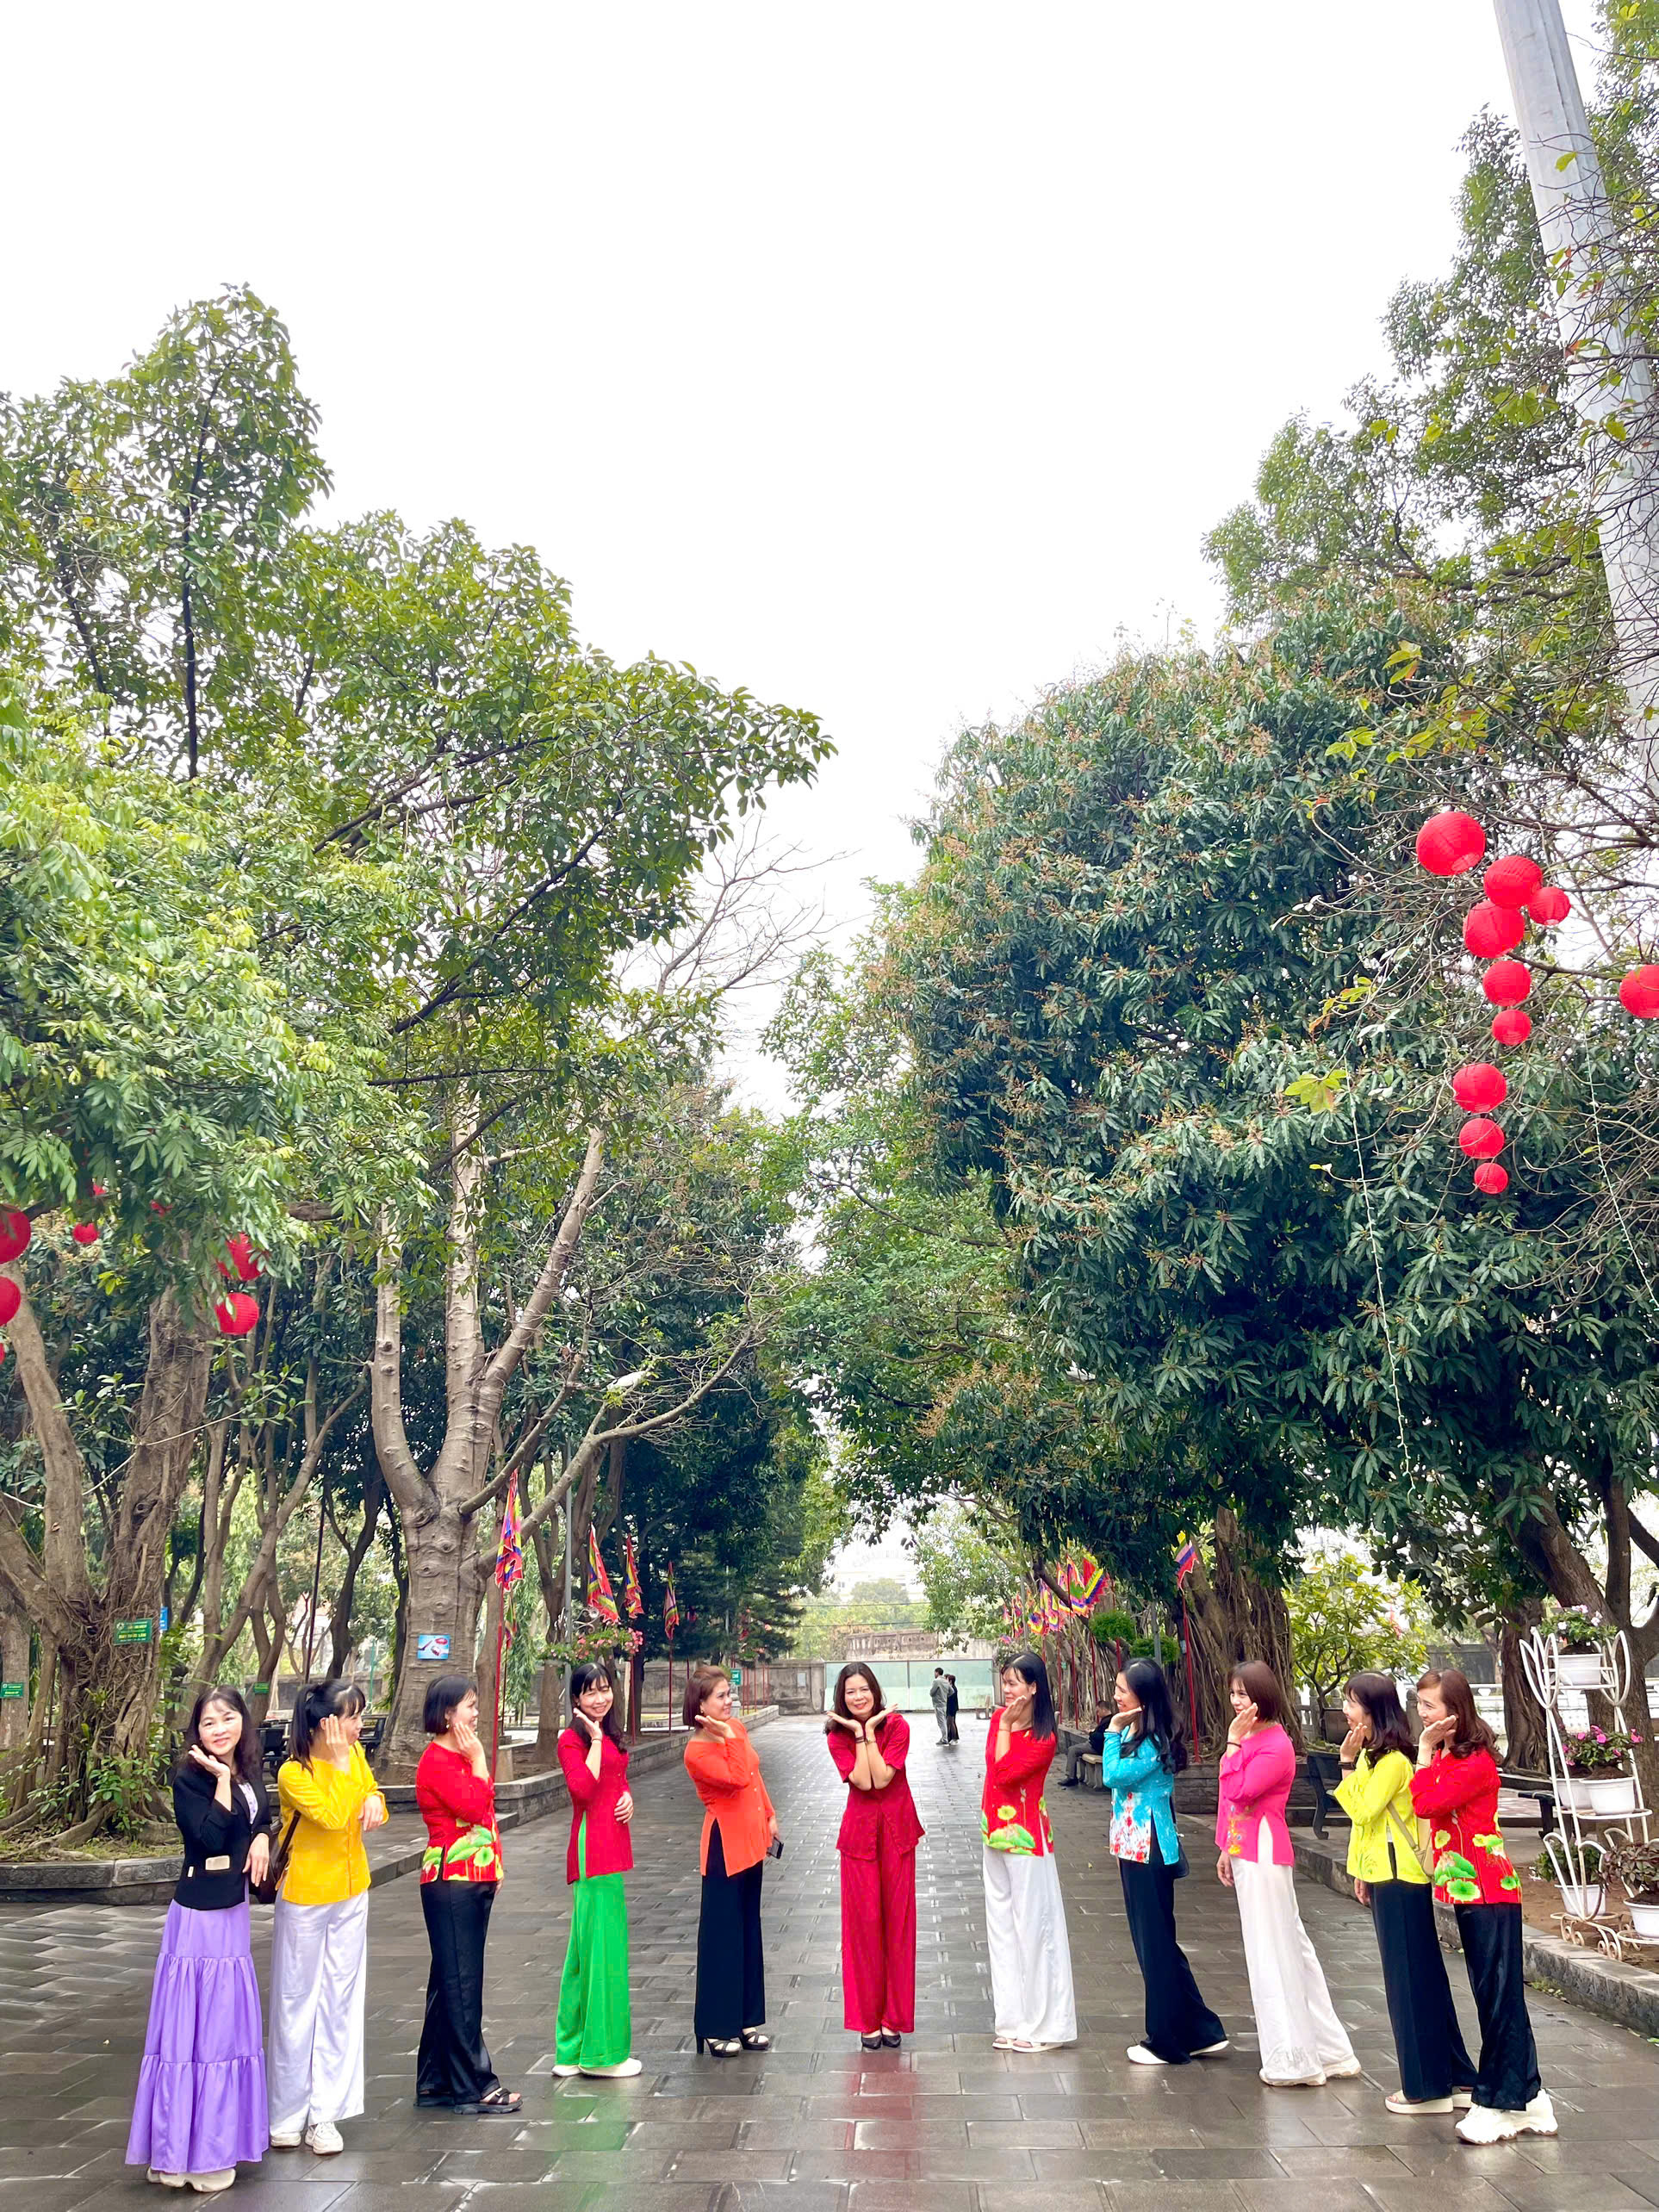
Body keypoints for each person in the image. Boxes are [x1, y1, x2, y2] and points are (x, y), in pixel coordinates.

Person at [127, 1687, 272, 2194]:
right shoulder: (190, 1778)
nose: (219, 1730)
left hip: (232, 1912)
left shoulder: (249, 1768)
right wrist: (221, 1781)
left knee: (224, 2029)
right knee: (197, 2035)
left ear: (242, 1721)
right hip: (199, 1916)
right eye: (209, 1723)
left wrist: (262, 1836)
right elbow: (208, 1837)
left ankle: (211, 2143)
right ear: (197, 1731)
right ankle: (184, 2153)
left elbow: (260, 1816)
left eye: (227, 1718)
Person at [1412, 1668, 1556, 2144]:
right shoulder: (1452, 1756)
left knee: (1498, 1999)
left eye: (1430, 1705)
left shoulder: (1475, 1764)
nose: (1423, 1713)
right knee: (1497, 1996)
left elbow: (1425, 1805)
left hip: (1489, 1889)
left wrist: (1423, 1752)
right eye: (1420, 1704)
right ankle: (1530, 2097)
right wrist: (1432, 1753)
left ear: (1455, 1709)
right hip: (1469, 1890)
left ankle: (1498, 2102)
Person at [1335, 1671, 1476, 2117]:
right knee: (1423, 1976)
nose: (1345, 1710)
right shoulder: (1373, 1756)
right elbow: (1367, 1828)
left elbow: (1363, 1811)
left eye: (1352, 1702)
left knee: (1408, 1982)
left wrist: (1344, 1764)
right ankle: (1457, 2076)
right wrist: (1361, 1871)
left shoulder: (1394, 1761)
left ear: (1373, 1710)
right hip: (1385, 1875)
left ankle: (1425, 2088)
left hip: (1401, 1879)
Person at [1215, 1662, 1358, 2087]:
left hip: (1264, 1849)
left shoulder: (1274, 1744)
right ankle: (1331, 2051)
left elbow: (1239, 1790)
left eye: (1244, 1694)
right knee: (1289, 1946)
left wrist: (1231, 1745)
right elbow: (1229, 1801)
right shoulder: (1250, 1737)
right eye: (1233, 1693)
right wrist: (1225, 1847)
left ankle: (1295, 2061)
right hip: (1247, 1846)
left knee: (1272, 1950)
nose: (1236, 1702)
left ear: (1263, 1697)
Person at [267, 1680, 388, 2156]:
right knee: (296, 2002)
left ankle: (326, 2115)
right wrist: (340, 1766)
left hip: (351, 1891)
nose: (360, 1725)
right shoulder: (294, 1774)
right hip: (305, 1897)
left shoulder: (354, 1756)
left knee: (341, 2002)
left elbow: (369, 1796)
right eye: (353, 1717)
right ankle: (286, 2113)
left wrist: (375, 1799)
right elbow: (335, 1816)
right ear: (326, 1724)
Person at [413, 1675, 519, 2116]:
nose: (476, 1713)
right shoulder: (439, 1761)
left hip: (470, 1877)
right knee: (462, 1985)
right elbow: (476, 1808)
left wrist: (496, 1864)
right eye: (469, 1705)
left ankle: (435, 2080)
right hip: (451, 1880)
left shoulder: (456, 1757)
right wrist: (479, 1761)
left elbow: (485, 1819)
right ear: (446, 1714)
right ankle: (473, 2085)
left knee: (449, 1981)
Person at [981, 1650, 1076, 2051]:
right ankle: (1012, 2020)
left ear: (1034, 1687)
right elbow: (993, 1767)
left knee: (1035, 1930)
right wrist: (1003, 1725)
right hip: (993, 1834)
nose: (1007, 1689)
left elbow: (1004, 1774)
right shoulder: (999, 1722)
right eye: (1005, 1682)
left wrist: (1005, 1726)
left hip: (1028, 1839)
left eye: (1014, 1682)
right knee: (1001, 1929)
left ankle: (1046, 2026)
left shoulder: (1044, 1737)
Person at [826, 1662, 924, 2048]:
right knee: (863, 1929)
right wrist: (861, 1733)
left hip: (897, 1833)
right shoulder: (837, 1736)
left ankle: (892, 2018)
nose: (858, 1697)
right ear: (842, 1697)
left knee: (898, 1927)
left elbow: (884, 1778)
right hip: (860, 1839)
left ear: (875, 1691)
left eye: (864, 1689)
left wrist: (869, 1733)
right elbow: (865, 1782)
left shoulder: (897, 1727)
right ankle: (867, 2019)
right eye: (850, 1691)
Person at [684, 1668, 776, 2055]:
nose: (729, 1701)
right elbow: (737, 1778)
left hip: (752, 1838)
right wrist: (729, 1737)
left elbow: (754, 1774)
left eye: (729, 1693)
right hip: (724, 1844)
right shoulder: (697, 1751)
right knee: (722, 1935)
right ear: (701, 1704)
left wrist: (769, 1814)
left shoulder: (735, 1728)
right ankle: (715, 2025)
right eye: (720, 1696)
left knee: (748, 1930)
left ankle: (745, 2018)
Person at [554, 1662, 639, 2078]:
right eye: (590, 1692)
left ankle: (570, 2050)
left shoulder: (611, 1733)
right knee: (603, 1952)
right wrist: (595, 1740)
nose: (600, 1698)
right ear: (576, 1699)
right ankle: (602, 2057)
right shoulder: (571, 1740)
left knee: (584, 1953)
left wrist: (628, 1797)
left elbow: (614, 1780)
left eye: (605, 1689)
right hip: (593, 1851)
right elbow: (583, 1790)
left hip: (611, 1844)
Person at [1059, 1702, 1111, 1788]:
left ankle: (1071, 1777)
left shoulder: (1108, 1721)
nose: (1097, 1714)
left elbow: (1102, 1737)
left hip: (1096, 1747)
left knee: (1072, 1750)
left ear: (1104, 1710)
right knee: (1074, 1749)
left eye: (1098, 1711)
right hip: (1093, 1744)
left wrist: (1090, 1733)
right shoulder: (1107, 1720)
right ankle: (1072, 1776)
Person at [929, 1668, 951, 1746]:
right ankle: (944, 1738)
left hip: (938, 1705)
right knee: (943, 1722)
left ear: (937, 1673)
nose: (934, 1674)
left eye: (935, 1673)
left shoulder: (936, 1681)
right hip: (944, 1704)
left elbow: (931, 1693)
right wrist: (945, 1696)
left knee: (941, 1723)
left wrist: (938, 1696)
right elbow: (951, 1691)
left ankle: (944, 1739)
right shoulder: (946, 1681)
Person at [944, 1674, 960, 1745]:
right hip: (952, 1708)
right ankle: (951, 1737)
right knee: (951, 1722)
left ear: (950, 1681)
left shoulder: (952, 1688)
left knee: (951, 1723)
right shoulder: (953, 1688)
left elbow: (949, 1698)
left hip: (951, 1708)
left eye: (947, 1680)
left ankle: (954, 1738)